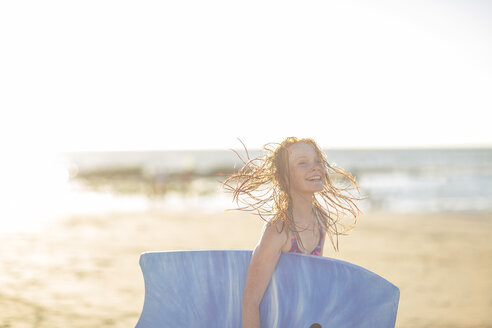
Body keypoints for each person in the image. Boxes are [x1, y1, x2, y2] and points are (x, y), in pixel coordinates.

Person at [222, 137, 363, 328]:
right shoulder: (279, 230)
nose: (315, 167)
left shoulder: (321, 220)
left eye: (318, 161)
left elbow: (309, 285)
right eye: (303, 163)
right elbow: (250, 300)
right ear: (284, 178)